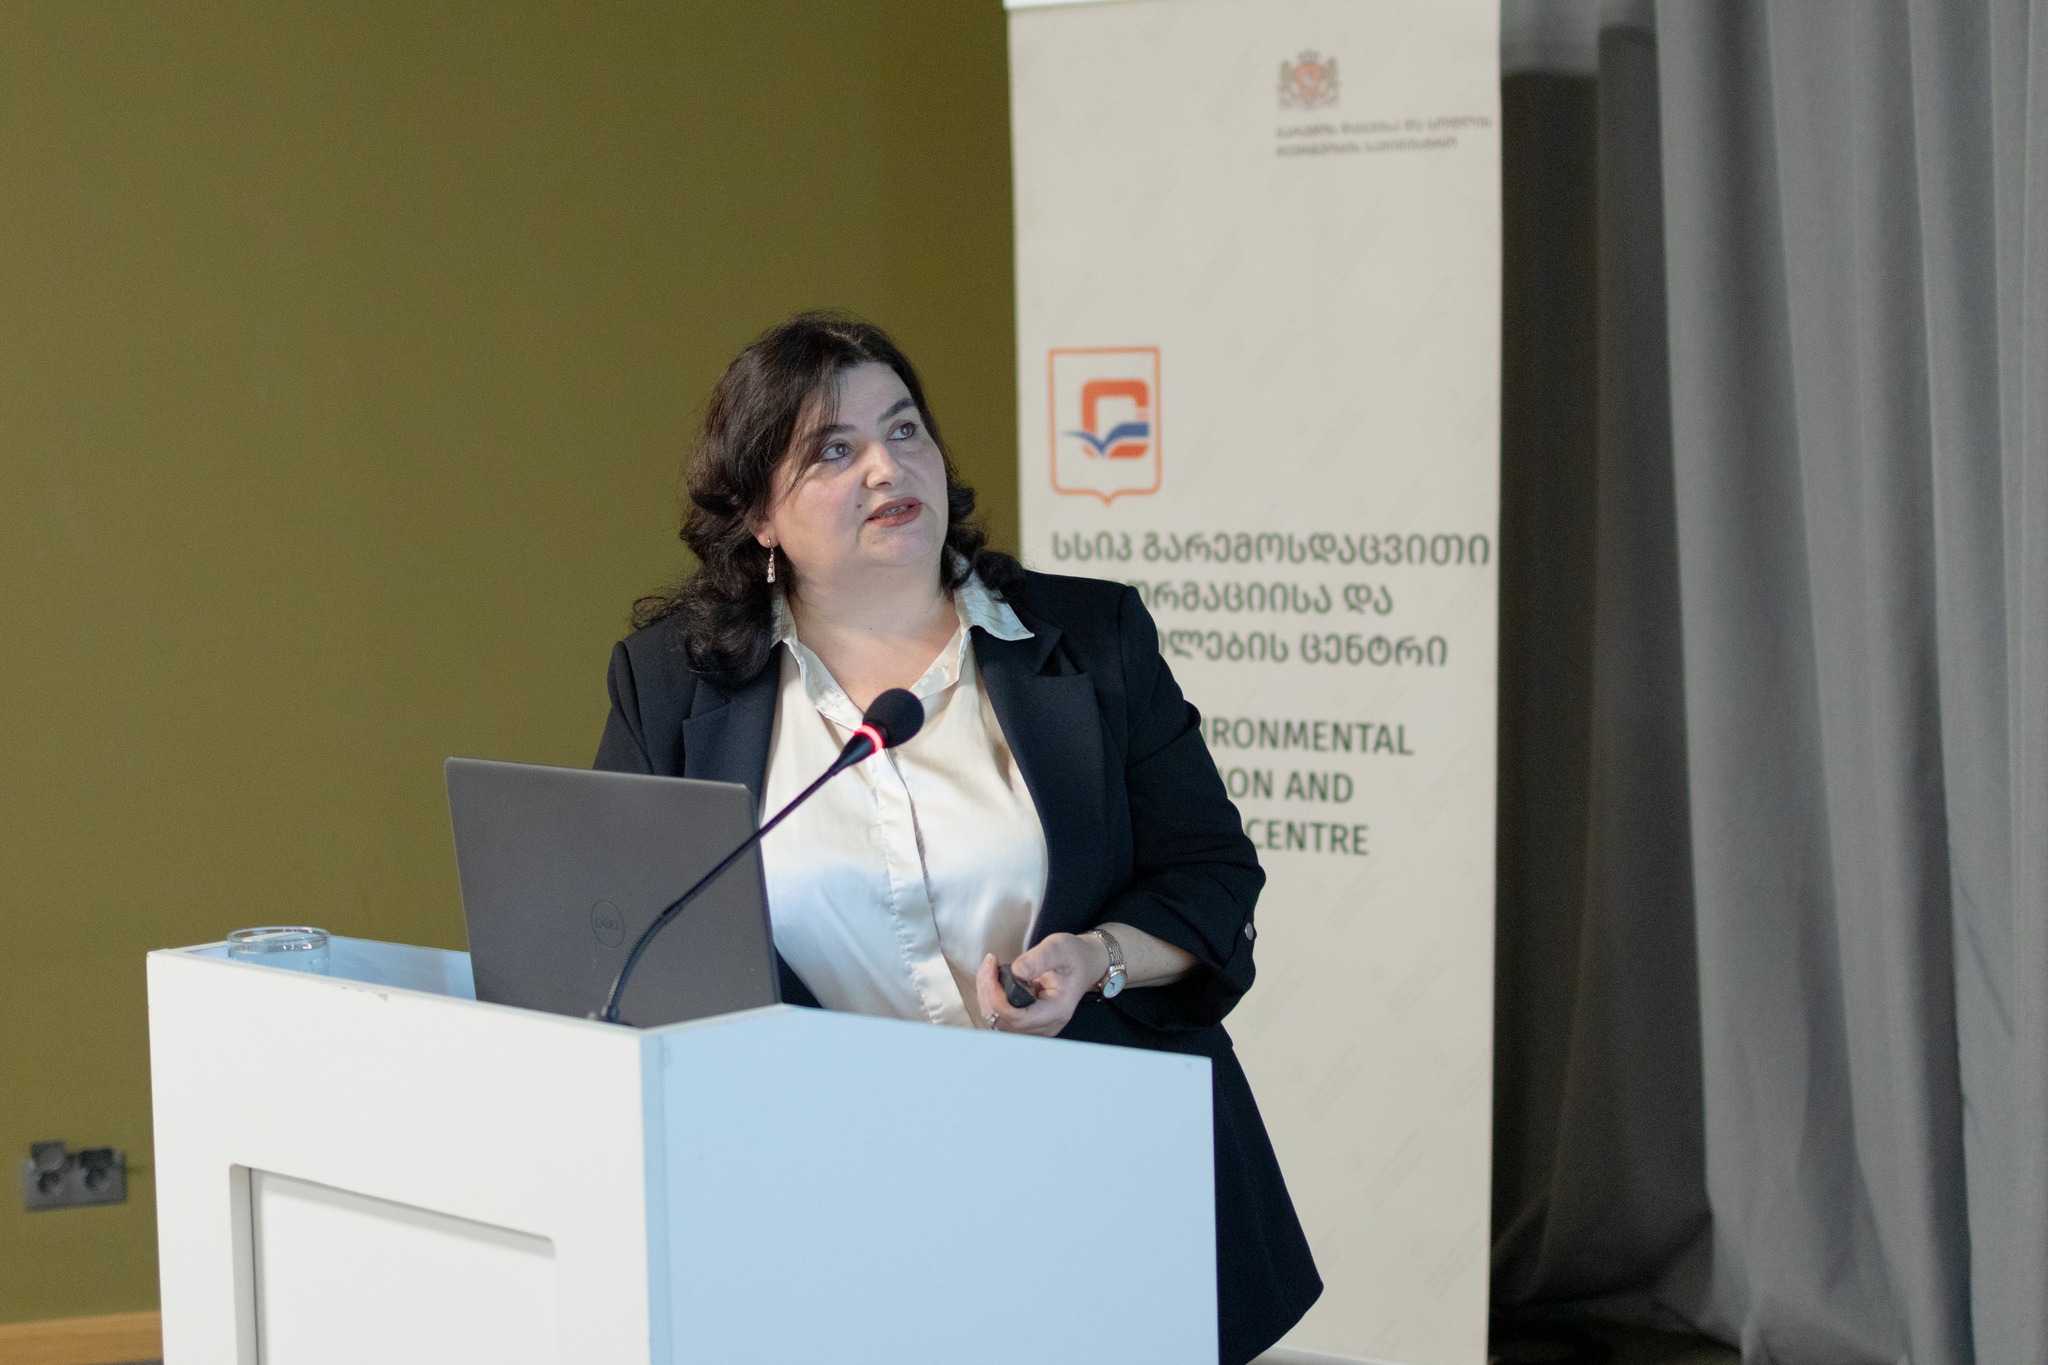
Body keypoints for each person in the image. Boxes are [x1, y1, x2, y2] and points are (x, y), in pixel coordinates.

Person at [594, 311, 1321, 1363]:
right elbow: (623, 938)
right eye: (831, 451)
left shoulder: (1089, 639)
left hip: (1098, 1183)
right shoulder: (672, 686)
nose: (887, 466)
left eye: (904, 429)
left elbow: (1210, 877)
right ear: (757, 514)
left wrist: (1097, 957)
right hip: (829, 1203)